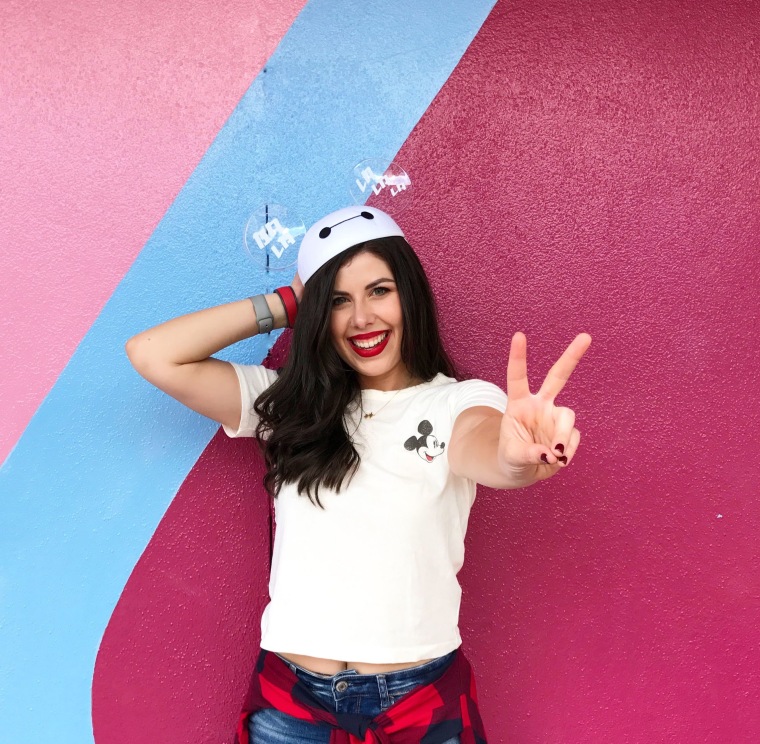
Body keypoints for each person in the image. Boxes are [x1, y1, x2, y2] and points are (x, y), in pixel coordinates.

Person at [125, 205, 591, 743]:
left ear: (410, 294)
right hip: (292, 703)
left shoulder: (460, 401)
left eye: (379, 291)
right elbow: (154, 354)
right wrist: (289, 303)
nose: (362, 318)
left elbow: (487, 449)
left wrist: (516, 457)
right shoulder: (287, 405)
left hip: (419, 697)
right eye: (340, 301)